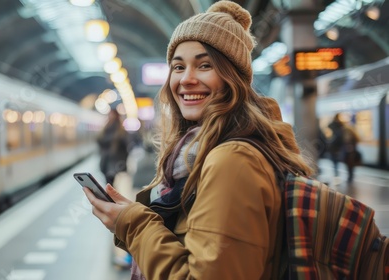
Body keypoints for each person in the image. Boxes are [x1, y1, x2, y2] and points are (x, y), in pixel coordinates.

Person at [83, 1, 313, 279]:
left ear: (233, 78)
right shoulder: (202, 152)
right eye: (178, 67)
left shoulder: (232, 160)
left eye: (205, 65)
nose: (187, 79)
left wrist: (133, 223)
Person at [96, 108, 131, 185]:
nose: (110, 116)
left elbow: (126, 147)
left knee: (110, 183)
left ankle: (111, 196)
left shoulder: (120, 130)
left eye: (111, 114)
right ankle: (110, 195)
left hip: (115, 162)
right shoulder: (106, 128)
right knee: (109, 183)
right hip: (106, 161)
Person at [327, 113, 360, 182]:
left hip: (345, 151)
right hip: (347, 151)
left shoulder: (340, 131)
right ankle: (349, 177)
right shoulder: (346, 130)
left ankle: (340, 176)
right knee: (349, 165)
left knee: (343, 163)